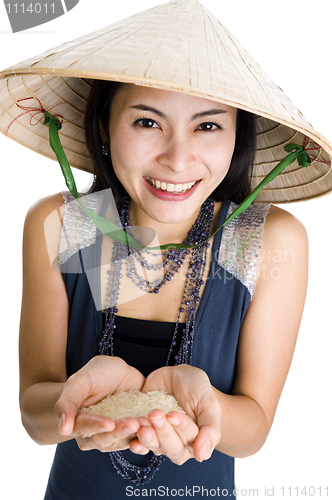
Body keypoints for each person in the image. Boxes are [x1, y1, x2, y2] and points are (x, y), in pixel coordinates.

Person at [0, 1, 331, 499]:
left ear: (238, 136)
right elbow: (34, 412)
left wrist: (207, 409)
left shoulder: (267, 239)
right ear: (106, 126)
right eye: (148, 123)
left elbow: (254, 429)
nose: (178, 159)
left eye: (208, 125)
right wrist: (77, 401)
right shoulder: (68, 225)